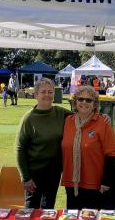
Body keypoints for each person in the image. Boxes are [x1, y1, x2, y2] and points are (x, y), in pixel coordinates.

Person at [15, 78, 72, 209]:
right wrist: (25, 177)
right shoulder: (29, 118)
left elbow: (82, 116)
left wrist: (103, 117)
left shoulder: (61, 112)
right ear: (36, 95)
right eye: (43, 92)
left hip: (54, 172)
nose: (47, 95)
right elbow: (20, 148)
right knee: (31, 210)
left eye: (50, 91)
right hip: (34, 174)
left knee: (48, 209)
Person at [61, 86, 115, 209]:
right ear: (75, 102)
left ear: (95, 104)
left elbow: (111, 154)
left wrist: (106, 181)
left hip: (95, 185)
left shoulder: (103, 123)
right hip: (71, 182)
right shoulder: (67, 121)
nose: (84, 102)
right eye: (80, 99)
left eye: (89, 100)